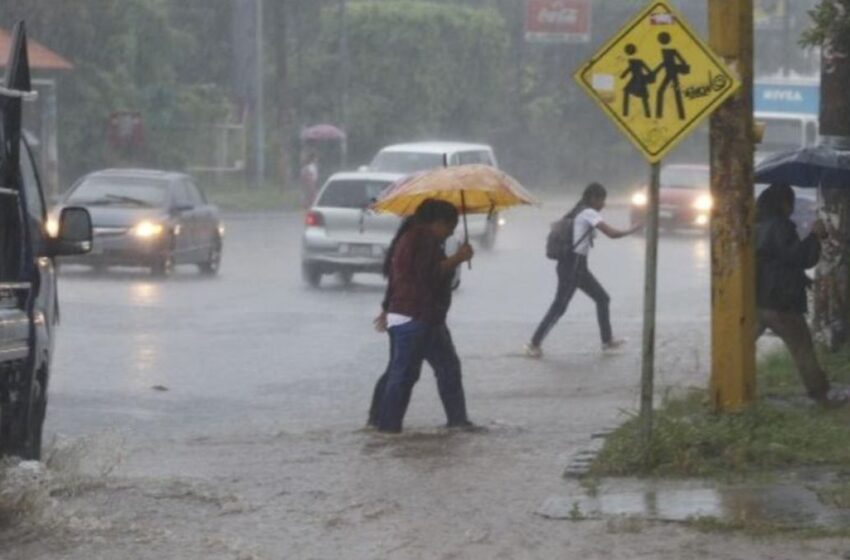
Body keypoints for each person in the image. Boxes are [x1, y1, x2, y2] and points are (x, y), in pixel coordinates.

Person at [376, 199, 475, 434]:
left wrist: (387, 307)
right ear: (438, 223)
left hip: (424, 317)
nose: (451, 232)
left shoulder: (414, 237)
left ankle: (457, 422)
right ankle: (388, 429)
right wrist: (457, 259)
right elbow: (427, 276)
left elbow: (400, 278)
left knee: (445, 367)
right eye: (451, 226)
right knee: (404, 375)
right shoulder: (422, 239)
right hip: (416, 317)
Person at [755, 183, 846, 407]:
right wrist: (815, 236)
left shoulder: (760, 225)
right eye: (790, 202)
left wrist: (801, 278)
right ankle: (821, 395)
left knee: (743, 345)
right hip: (782, 302)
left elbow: (776, 261)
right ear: (783, 203)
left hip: (760, 300)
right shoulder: (780, 226)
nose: (792, 207)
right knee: (803, 348)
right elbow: (800, 257)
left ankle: (728, 384)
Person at [525, 182, 641, 359]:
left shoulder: (579, 209)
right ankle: (534, 344)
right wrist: (633, 229)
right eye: (602, 200)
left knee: (602, 298)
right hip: (572, 266)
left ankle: (607, 341)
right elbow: (612, 234)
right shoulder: (588, 212)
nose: (604, 204)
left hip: (578, 266)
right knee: (560, 306)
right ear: (593, 198)